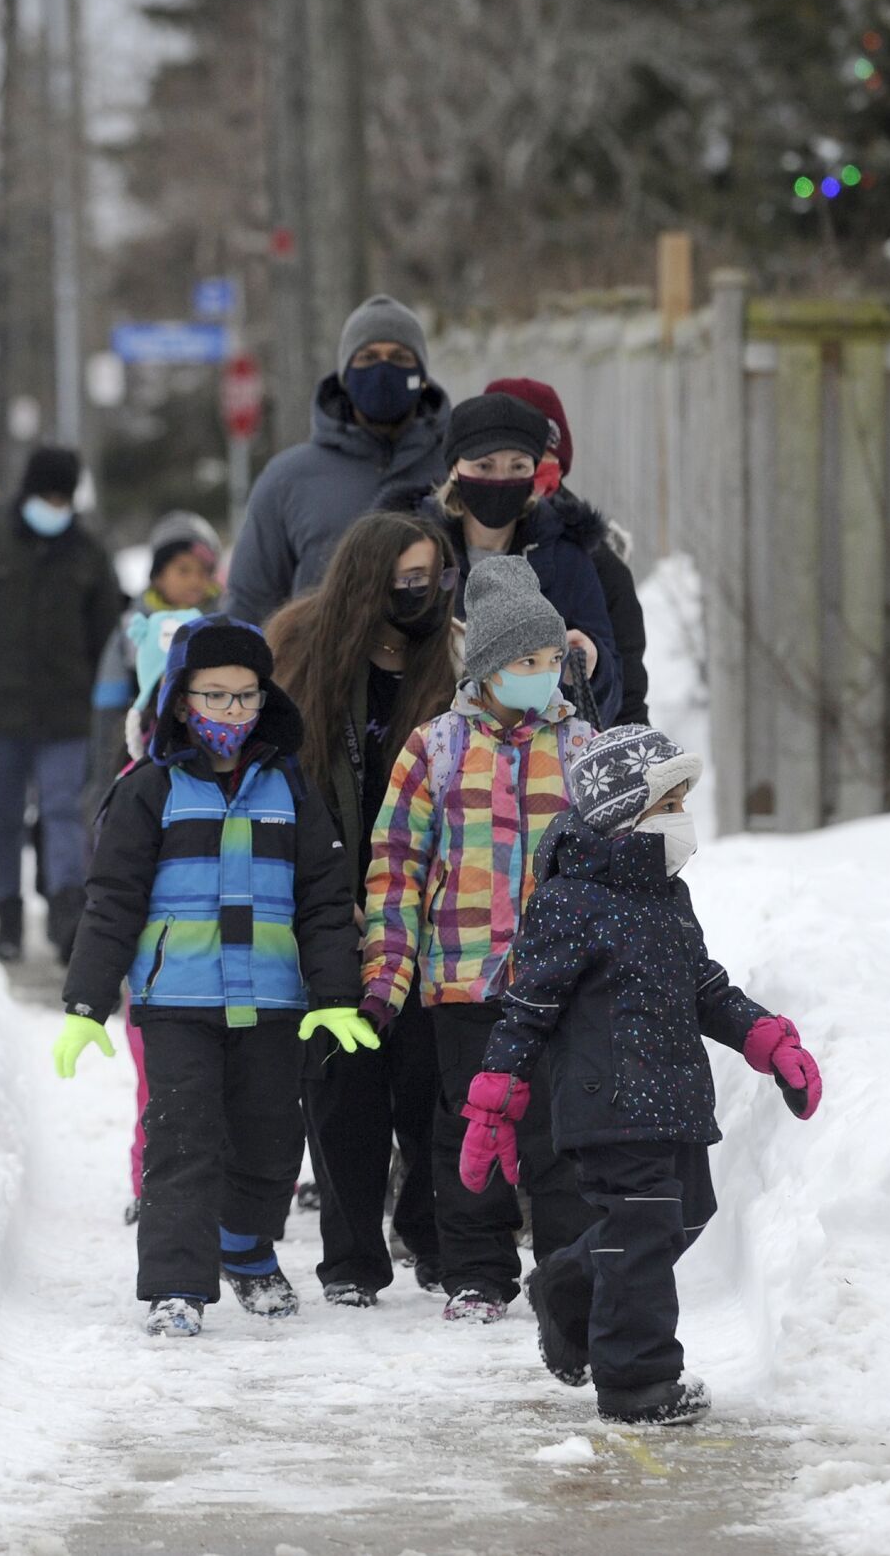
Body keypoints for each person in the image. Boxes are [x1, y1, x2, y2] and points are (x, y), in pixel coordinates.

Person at [463, 724, 823, 1424]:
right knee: (641, 1230)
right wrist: (495, 1102)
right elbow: (527, 1007)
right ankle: (638, 1380)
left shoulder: (666, 896)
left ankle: (566, 1286)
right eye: (669, 803)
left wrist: (765, 1037)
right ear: (627, 812)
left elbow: (705, 986)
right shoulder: (571, 901)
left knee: (686, 1214)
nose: (681, 818)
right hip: (610, 1101)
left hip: (676, 1096)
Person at [52, 614, 371, 1338]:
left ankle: (247, 1250)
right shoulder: (148, 791)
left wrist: (335, 995)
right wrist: (85, 1002)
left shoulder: (291, 789)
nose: (231, 711)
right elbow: (111, 904)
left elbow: (324, 901)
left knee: (268, 1136)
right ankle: (175, 1283)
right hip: (178, 1001)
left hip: (272, 1001)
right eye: (214, 695)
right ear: (179, 699)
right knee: (182, 1136)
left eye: (246, 696)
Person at [360, 555, 596, 1324]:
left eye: (553, 659)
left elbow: (615, 858)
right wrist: (387, 974)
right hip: (464, 978)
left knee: (556, 1132)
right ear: (490, 666)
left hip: (558, 980)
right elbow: (396, 867)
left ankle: (567, 1271)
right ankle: (477, 1273)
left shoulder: (582, 747)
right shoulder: (437, 749)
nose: (544, 673)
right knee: (471, 1126)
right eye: (529, 660)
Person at [267, 512, 459, 1306]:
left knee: (426, 1079)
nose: (421, 595)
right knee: (343, 1084)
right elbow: (284, 785)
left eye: (432, 578)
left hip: (427, 905)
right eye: (405, 581)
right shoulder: (301, 653)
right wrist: (326, 900)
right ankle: (350, 1258)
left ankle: (431, 1231)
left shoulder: (453, 656)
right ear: (366, 582)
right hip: (333, 904)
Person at [0, 446, 120, 964]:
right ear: (28, 492)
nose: (54, 505)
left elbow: (108, 637)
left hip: (68, 714)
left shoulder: (88, 552)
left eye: (63, 497)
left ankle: (65, 914)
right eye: (46, 495)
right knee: (4, 819)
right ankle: (7, 913)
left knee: (63, 812)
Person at [397, 392, 624, 728]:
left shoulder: (566, 557)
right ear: (454, 469)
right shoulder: (414, 551)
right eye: (484, 466)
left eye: (517, 466)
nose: (500, 481)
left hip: (541, 763)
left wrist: (594, 666)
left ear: (535, 472)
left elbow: (609, 696)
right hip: (433, 758)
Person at [224, 295, 451, 624]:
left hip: (437, 671)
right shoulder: (288, 478)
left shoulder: (459, 466)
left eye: (400, 357)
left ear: (422, 375)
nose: (383, 369)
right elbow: (250, 604)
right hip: (321, 672)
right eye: (368, 357)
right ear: (346, 375)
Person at [485, 377, 650, 725]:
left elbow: (628, 703)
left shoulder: (599, 566)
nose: (518, 474)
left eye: (535, 457)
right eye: (500, 460)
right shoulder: (438, 552)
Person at [87, 513, 222, 815]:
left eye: (202, 572)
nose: (194, 581)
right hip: (142, 743)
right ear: (158, 575)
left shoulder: (221, 619)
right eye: (183, 570)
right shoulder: (134, 625)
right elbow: (110, 697)